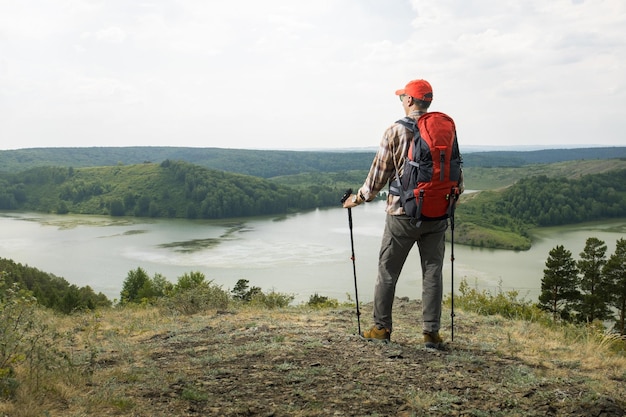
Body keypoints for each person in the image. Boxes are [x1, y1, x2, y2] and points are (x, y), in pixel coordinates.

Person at [342, 78, 463, 349]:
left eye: (402, 97)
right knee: (432, 272)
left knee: (387, 271)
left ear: (409, 100)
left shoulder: (395, 131)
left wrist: (357, 199)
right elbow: (457, 176)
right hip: (438, 213)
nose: (401, 101)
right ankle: (431, 333)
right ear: (428, 101)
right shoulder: (445, 130)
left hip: (401, 214)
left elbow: (377, 176)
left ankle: (381, 329)